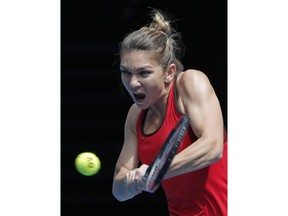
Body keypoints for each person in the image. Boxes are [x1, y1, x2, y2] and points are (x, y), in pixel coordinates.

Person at [112, 8, 227, 216]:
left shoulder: (190, 83)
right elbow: (118, 191)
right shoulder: (135, 116)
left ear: (169, 72)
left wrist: (156, 170)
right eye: (125, 72)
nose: (132, 82)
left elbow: (212, 146)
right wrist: (132, 182)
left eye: (144, 73)